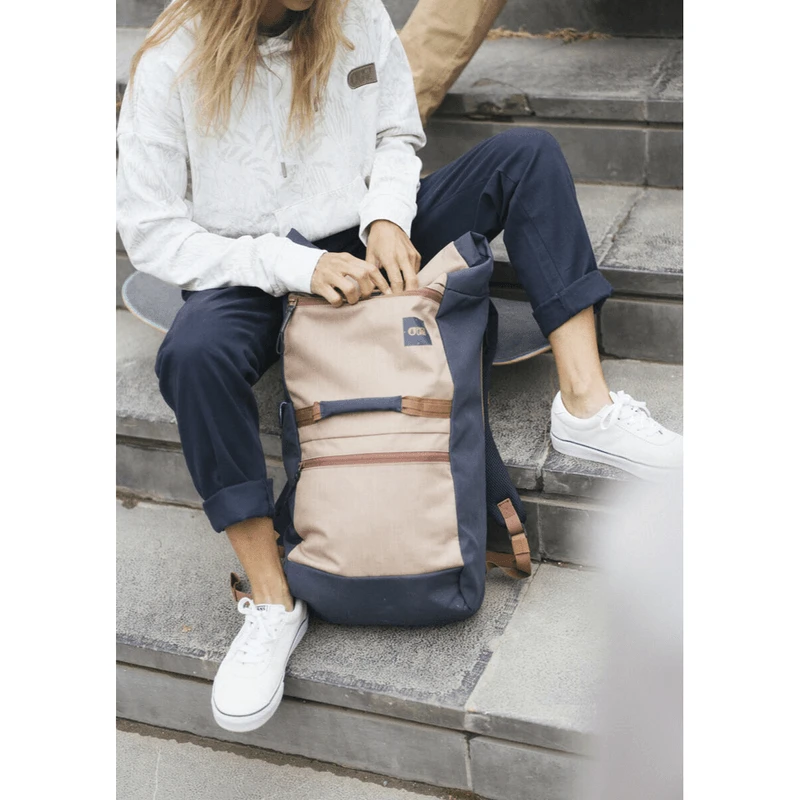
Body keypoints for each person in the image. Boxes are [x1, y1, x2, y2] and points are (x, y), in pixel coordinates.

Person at [116, 0, 682, 734]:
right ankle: (272, 598)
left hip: (363, 229)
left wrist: (387, 215)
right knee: (192, 355)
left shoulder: (352, 13)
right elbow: (151, 231)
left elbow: (395, 131)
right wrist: (294, 265)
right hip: (253, 265)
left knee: (528, 155)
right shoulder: (174, 54)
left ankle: (586, 406)